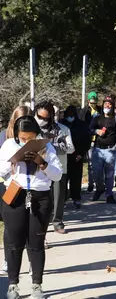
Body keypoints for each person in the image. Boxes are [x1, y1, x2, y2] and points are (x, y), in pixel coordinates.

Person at [0, 116, 62, 299]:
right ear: (17, 135)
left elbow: (57, 175)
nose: (27, 142)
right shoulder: (9, 145)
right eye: (23, 138)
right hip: (15, 195)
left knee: (36, 243)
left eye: (31, 138)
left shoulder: (47, 147)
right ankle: (13, 285)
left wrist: (42, 163)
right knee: (14, 243)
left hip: (39, 197)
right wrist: (13, 162)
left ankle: (37, 285)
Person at [34, 101, 74, 234]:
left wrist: (53, 147)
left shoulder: (63, 129)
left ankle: (57, 222)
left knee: (58, 197)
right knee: (40, 200)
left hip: (58, 168)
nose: (42, 121)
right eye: (39, 117)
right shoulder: (32, 129)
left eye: (45, 118)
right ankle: (41, 229)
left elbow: (71, 148)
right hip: (38, 170)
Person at [0, 106, 31, 276]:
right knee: (10, 226)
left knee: (29, 224)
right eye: (21, 120)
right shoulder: (5, 136)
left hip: (30, 185)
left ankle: (31, 261)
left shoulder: (34, 136)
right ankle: (8, 260)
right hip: (8, 185)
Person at [90, 95, 116, 203]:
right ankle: (100, 188)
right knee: (96, 173)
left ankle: (109, 194)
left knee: (109, 174)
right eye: (105, 103)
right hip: (98, 150)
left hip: (111, 150)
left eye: (109, 104)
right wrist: (97, 131)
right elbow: (90, 128)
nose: (107, 105)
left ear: (112, 106)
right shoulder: (97, 118)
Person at [60, 106, 91, 209]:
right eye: (68, 115)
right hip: (64, 156)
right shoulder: (61, 125)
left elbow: (87, 140)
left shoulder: (82, 125)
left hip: (77, 156)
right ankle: (62, 199)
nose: (70, 117)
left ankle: (76, 198)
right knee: (63, 179)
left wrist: (81, 154)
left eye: (72, 115)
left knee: (76, 179)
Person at [79, 91, 101, 193]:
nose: (93, 104)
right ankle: (91, 184)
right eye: (91, 102)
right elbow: (82, 125)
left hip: (99, 140)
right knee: (91, 164)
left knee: (100, 164)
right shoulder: (84, 112)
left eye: (95, 102)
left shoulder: (100, 110)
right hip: (89, 140)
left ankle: (100, 183)